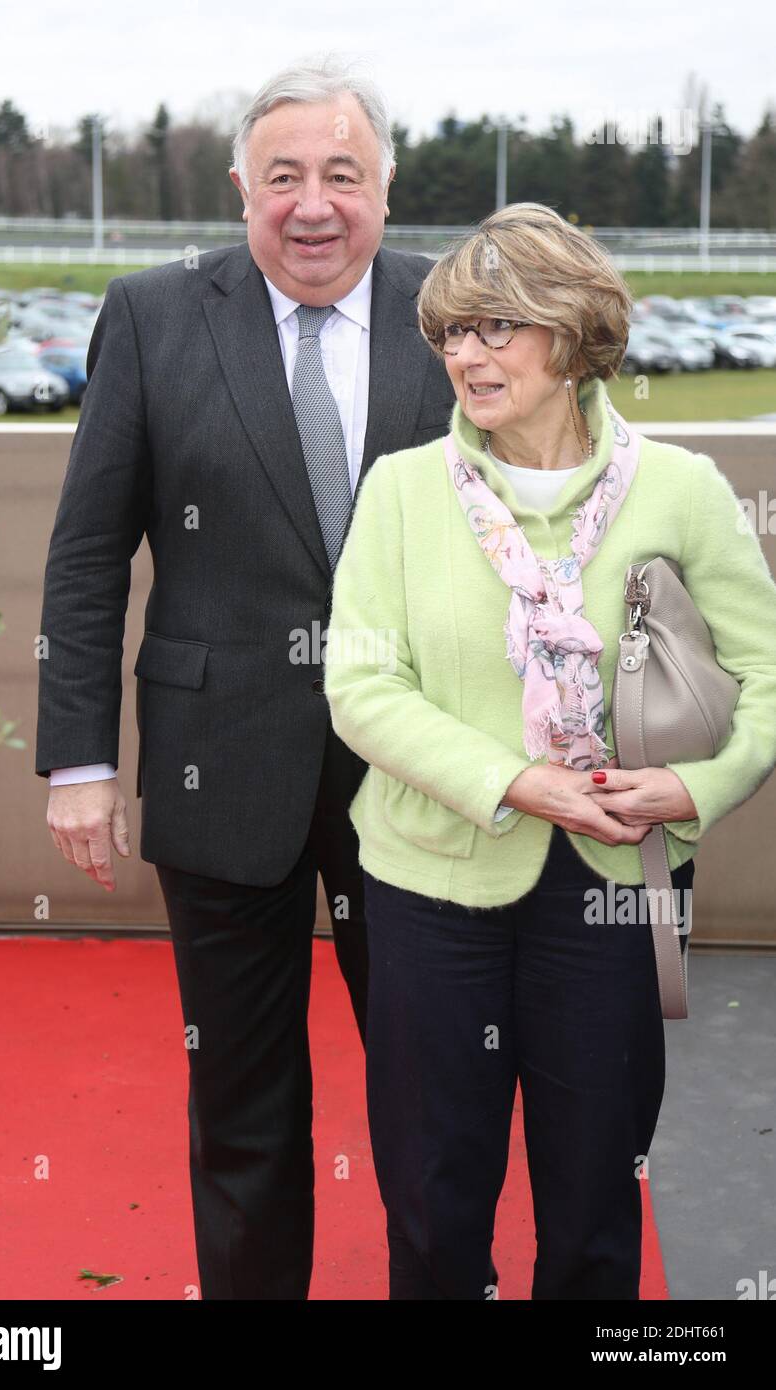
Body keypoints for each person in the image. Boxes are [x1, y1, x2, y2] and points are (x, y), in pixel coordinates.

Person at [35, 56, 457, 1299]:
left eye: (342, 174)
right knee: (243, 1102)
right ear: (240, 188)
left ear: (386, 188)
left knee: (436, 1095)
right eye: (284, 176)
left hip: (423, 774)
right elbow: (84, 553)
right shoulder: (154, 313)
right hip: (219, 766)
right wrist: (79, 760)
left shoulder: (455, 310)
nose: (312, 203)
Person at [324, 201, 776, 1299]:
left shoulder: (680, 490)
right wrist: (516, 783)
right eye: (448, 333)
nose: (462, 355)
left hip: (615, 892)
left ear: (569, 336)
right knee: (432, 1207)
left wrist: (695, 785)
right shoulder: (397, 491)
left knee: (590, 1212)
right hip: (429, 891)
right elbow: (359, 684)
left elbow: (764, 677)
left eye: (492, 327)